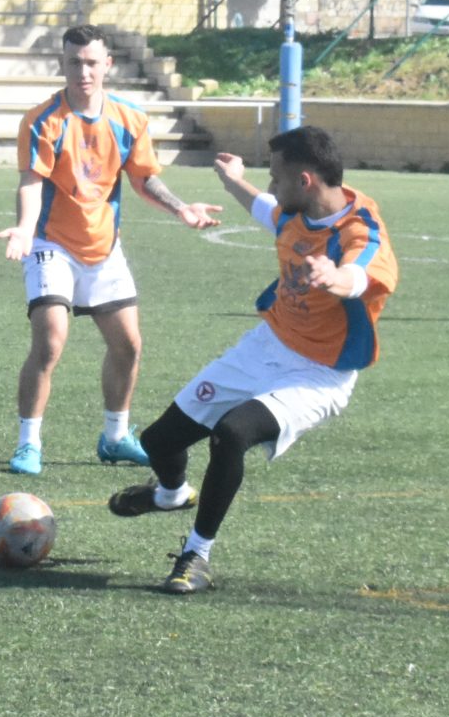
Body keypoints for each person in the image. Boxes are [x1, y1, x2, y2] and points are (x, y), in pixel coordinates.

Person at [109, 126, 396, 595]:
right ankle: (171, 494)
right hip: (266, 347)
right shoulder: (295, 212)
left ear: (305, 180)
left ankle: (197, 555)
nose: (271, 186)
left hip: (319, 373)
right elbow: (264, 208)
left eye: (276, 177)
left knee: (231, 433)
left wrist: (334, 276)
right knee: (160, 441)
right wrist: (231, 181)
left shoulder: (361, 231)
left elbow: (360, 275)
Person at [0, 24, 220, 475]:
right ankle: (28, 444)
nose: (84, 72)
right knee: (50, 340)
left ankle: (115, 437)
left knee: (128, 345)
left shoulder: (129, 119)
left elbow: (143, 179)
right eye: (75, 62)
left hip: (104, 246)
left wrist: (180, 208)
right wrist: (24, 228)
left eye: (92, 63)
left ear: (107, 65)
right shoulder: (43, 120)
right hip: (51, 243)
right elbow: (32, 182)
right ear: (62, 64)